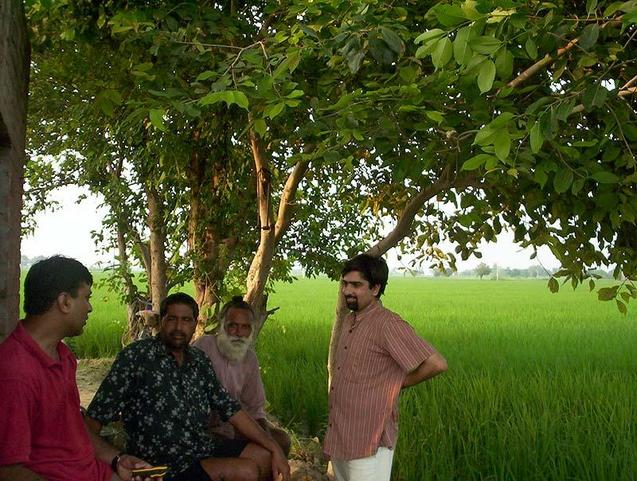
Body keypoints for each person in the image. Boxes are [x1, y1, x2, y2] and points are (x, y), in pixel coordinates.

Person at [86, 292, 290, 481]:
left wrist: (273, 446)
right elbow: (93, 420)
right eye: (172, 319)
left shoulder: (198, 359)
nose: (178, 327)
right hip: (163, 460)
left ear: (194, 324)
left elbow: (231, 408)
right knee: (247, 471)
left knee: (265, 455)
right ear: (161, 321)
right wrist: (115, 459)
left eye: (186, 320)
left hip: (199, 444)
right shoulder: (136, 357)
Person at [0, 255, 157, 481]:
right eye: (87, 297)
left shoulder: (63, 356)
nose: (90, 307)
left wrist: (118, 459)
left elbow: (74, 427)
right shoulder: (15, 372)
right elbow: (8, 471)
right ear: (65, 302)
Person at [323, 254, 448, 481]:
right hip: (341, 434)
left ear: (375, 288)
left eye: (356, 285)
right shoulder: (351, 321)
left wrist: (399, 383)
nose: (347, 291)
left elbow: (437, 363)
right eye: (345, 284)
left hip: (369, 440)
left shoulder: (387, 324)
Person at [193, 296, 291, 456]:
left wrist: (266, 439)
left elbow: (255, 408)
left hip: (234, 429)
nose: (238, 333)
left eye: (245, 327)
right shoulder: (204, 347)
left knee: (281, 440)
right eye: (233, 326)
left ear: (251, 329)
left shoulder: (250, 359)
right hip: (201, 430)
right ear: (222, 325)